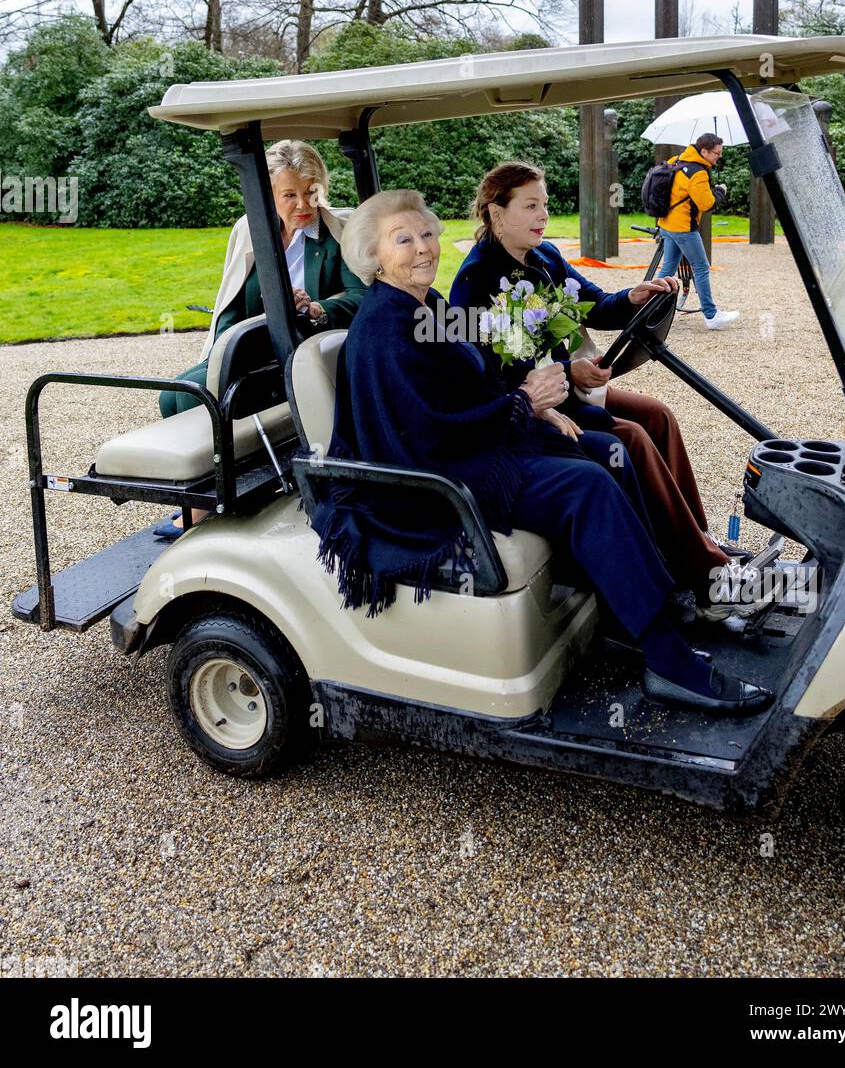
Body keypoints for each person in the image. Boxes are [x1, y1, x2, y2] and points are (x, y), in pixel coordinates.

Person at [313, 187, 771, 717]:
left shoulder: (428, 305)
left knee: (606, 450)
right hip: (437, 479)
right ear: (374, 255)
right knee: (588, 485)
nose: (424, 248)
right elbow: (424, 434)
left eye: (428, 234)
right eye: (404, 239)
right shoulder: (384, 330)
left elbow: (481, 365)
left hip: (475, 445)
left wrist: (533, 406)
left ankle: (650, 611)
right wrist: (521, 404)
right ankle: (668, 660)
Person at [448, 161, 741, 612]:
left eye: (544, 205)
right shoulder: (477, 281)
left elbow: (596, 306)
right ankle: (704, 573)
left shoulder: (543, 257)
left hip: (566, 389)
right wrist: (568, 370)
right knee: (631, 438)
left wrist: (633, 297)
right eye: (530, 206)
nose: (543, 215)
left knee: (658, 415)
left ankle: (693, 539)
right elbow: (490, 374)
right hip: (525, 412)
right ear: (495, 213)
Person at [154, 139, 365, 538]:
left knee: (198, 397)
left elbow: (360, 296)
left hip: (306, 349)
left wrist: (316, 307)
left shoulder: (339, 230)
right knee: (176, 394)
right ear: (268, 194)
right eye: (290, 195)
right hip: (257, 347)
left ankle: (204, 508)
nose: (304, 204)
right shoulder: (250, 230)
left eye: (311, 192)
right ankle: (217, 493)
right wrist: (221, 352)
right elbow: (232, 306)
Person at [657, 133, 738, 331]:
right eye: (716, 153)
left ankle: (648, 309)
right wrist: (719, 191)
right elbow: (706, 203)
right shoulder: (698, 172)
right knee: (701, 267)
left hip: (666, 223)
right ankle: (711, 315)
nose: (719, 156)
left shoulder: (676, 160)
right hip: (684, 227)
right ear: (704, 151)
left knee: (668, 269)